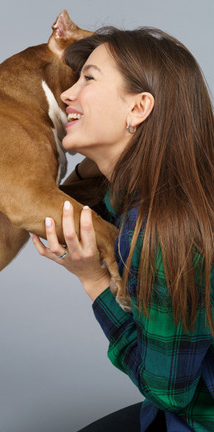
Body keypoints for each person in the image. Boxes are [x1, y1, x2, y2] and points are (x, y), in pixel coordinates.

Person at [31, 26, 214, 431]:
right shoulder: (149, 195)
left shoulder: (159, 231)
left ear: (139, 109)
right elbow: (66, 201)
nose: (66, 94)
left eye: (88, 78)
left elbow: (169, 393)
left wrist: (94, 280)